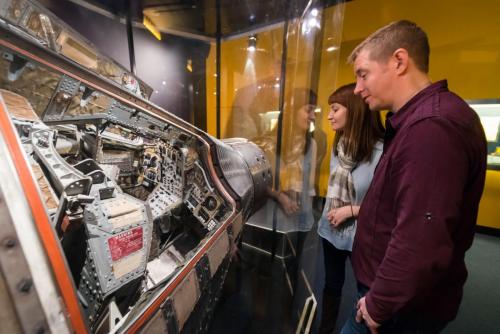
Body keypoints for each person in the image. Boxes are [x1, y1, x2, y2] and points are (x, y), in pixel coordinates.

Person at [340, 20, 487, 334]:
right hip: (393, 298)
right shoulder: (423, 121)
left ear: (399, 61)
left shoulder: (431, 128)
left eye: (363, 74)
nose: (357, 88)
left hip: (394, 308)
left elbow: (421, 237)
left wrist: (379, 304)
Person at [317, 83, 385, 334]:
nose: (329, 115)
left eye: (335, 109)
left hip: (363, 236)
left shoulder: (381, 151)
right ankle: (325, 327)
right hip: (330, 230)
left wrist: (352, 210)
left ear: (355, 111)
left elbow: (386, 204)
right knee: (331, 284)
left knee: (366, 288)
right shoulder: (339, 145)